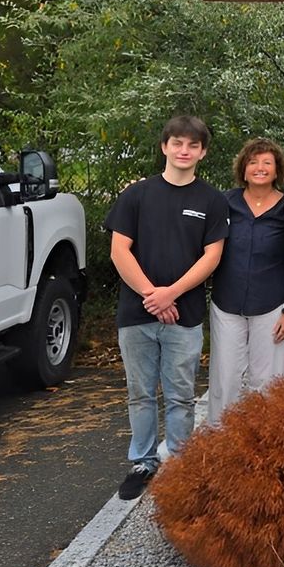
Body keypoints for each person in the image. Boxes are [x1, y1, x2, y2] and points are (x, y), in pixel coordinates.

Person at [106, 115, 229, 501]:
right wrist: (151, 295)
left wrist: (171, 293)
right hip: (136, 315)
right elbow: (118, 250)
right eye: (177, 143)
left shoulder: (211, 200)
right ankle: (142, 461)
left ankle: (178, 462)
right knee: (140, 393)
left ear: (203, 152)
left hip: (185, 315)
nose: (184, 151)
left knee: (180, 394)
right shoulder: (136, 195)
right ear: (165, 147)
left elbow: (212, 257)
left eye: (193, 145)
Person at [207, 137, 284, 424]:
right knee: (225, 380)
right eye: (253, 162)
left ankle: (265, 442)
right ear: (243, 169)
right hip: (227, 303)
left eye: (267, 163)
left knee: (268, 381)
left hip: (272, 304)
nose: (260, 167)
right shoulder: (224, 203)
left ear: (277, 170)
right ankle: (220, 440)